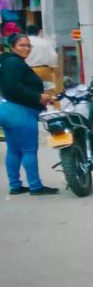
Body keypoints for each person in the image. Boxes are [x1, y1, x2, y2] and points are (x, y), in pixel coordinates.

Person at [0, 33, 60, 195]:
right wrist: (38, 97)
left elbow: (15, 88)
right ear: (12, 47)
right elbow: (13, 87)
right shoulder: (14, 63)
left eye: (28, 45)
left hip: (9, 110)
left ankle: (15, 185)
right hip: (20, 112)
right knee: (28, 150)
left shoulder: (10, 62)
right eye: (22, 45)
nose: (26, 48)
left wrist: (43, 98)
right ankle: (35, 186)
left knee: (14, 150)